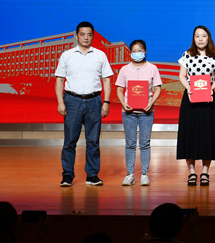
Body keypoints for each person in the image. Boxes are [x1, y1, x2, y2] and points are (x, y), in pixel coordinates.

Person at [55, 21, 113, 187]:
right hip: (72, 101)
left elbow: (106, 80)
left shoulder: (100, 55)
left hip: (94, 101)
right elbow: (59, 80)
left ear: (93, 36)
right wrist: (60, 102)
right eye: (82, 34)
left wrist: (106, 102)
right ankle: (67, 175)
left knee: (93, 141)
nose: (86, 37)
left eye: (89, 34)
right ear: (76, 36)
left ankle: (92, 175)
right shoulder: (67, 55)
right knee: (69, 141)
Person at [177, 26, 215, 186]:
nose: (200, 39)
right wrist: (189, 89)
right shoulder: (187, 54)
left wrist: (211, 88)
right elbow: (182, 75)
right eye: (197, 36)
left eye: (203, 36)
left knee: (207, 135)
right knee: (189, 134)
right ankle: (191, 172)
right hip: (190, 98)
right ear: (194, 38)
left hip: (208, 98)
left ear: (208, 38)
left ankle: (205, 172)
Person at [115, 40, 163, 187]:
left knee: (144, 143)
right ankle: (130, 175)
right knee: (129, 143)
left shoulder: (152, 68)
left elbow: (158, 88)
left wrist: (151, 102)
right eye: (134, 51)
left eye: (140, 51)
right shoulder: (124, 69)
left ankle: (144, 174)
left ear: (145, 51)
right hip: (128, 112)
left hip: (146, 112)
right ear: (130, 53)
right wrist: (123, 103)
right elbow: (119, 89)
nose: (137, 54)